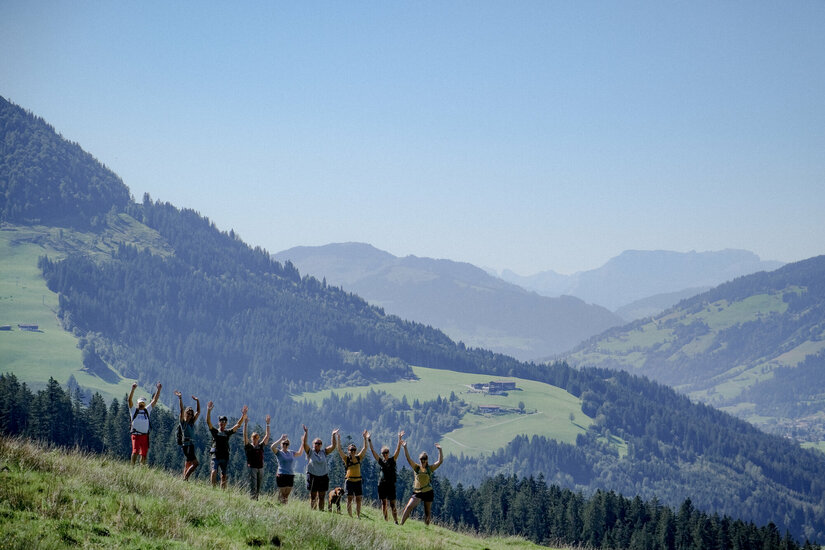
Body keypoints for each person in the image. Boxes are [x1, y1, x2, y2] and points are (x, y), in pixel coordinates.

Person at [400, 440, 444, 526]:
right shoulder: (416, 467)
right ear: (419, 460)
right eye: (421, 459)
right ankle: (401, 524)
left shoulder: (430, 468)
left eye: (424, 459)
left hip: (428, 492)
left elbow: (440, 461)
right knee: (409, 507)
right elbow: (408, 459)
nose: (423, 461)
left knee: (427, 512)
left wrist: (440, 450)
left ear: (427, 460)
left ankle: (426, 528)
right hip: (418, 492)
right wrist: (405, 447)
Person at [206, 401, 247, 489]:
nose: (223, 423)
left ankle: (222, 492)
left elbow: (237, 425)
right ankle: (213, 489)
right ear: (219, 422)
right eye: (221, 421)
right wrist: (208, 411)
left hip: (224, 456)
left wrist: (243, 416)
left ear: (226, 423)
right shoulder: (215, 432)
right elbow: (208, 422)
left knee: (223, 476)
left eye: (224, 422)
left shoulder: (227, 432)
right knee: (213, 472)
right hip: (215, 456)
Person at [300, 425, 338, 511]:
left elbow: (333, 446)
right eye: (316, 443)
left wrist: (333, 435)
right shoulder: (310, 452)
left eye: (319, 443)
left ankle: (321, 511)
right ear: (313, 444)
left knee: (322, 496)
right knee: (313, 496)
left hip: (323, 476)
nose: (318, 445)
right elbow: (304, 444)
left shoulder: (324, 452)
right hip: (312, 475)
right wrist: (306, 433)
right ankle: (313, 511)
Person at [368, 430, 404, 523]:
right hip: (382, 485)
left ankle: (396, 521)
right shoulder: (381, 461)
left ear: (388, 453)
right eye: (383, 453)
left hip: (391, 485)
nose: (385, 454)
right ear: (382, 454)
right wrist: (369, 440)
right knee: (383, 503)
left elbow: (398, 450)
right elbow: (372, 451)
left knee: (392, 504)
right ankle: (386, 520)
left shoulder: (392, 460)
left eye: (386, 452)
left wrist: (399, 439)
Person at [335, 430, 368, 518]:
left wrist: (365, 438)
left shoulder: (359, 458)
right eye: (351, 450)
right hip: (349, 481)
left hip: (358, 481)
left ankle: (358, 515)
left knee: (358, 499)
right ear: (348, 451)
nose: (353, 451)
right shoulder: (346, 459)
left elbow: (365, 448)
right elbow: (339, 449)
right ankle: (350, 516)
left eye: (354, 450)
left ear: (356, 451)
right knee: (349, 499)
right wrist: (338, 439)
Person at [128, 382, 161, 466]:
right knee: (135, 452)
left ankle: (141, 468)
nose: (141, 404)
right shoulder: (133, 410)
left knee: (144, 454)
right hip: (135, 435)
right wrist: (132, 389)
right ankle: (132, 466)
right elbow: (129, 400)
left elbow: (155, 400)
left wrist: (158, 389)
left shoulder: (147, 410)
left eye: (142, 403)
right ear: (137, 403)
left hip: (145, 436)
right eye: (140, 403)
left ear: (144, 403)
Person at [174, 390, 201, 480]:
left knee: (188, 462)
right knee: (195, 463)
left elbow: (198, 412)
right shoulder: (183, 423)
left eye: (191, 414)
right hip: (187, 445)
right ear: (185, 414)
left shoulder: (191, 423)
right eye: (188, 413)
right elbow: (181, 409)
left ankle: (183, 478)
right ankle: (185, 478)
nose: (189, 415)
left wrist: (197, 401)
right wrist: (180, 398)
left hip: (191, 445)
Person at [243, 414, 270, 500]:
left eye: (257, 437)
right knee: (253, 485)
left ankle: (256, 499)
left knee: (258, 485)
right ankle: (252, 499)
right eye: (254, 437)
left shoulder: (261, 445)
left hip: (260, 468)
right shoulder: (249, 446)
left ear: (258, 438)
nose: (255, 439)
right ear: (251, 438)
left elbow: (267, 435)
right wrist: (246, 424)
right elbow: (244, 435)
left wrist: (268, 424)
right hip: (252, 468)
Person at [271, 432, 303, 504]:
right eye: (283, 444)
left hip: (290, 474)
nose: (285, 445)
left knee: (286, 495)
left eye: (287, 444)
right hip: (281, 474)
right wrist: (281, 439)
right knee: (281, 493)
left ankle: (284, 507)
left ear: (288, 445)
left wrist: (303, 443)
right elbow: (272, 447)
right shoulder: (278, 452)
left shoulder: (291, 452)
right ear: (281, 444)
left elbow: (300, 453)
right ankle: (279, 506)